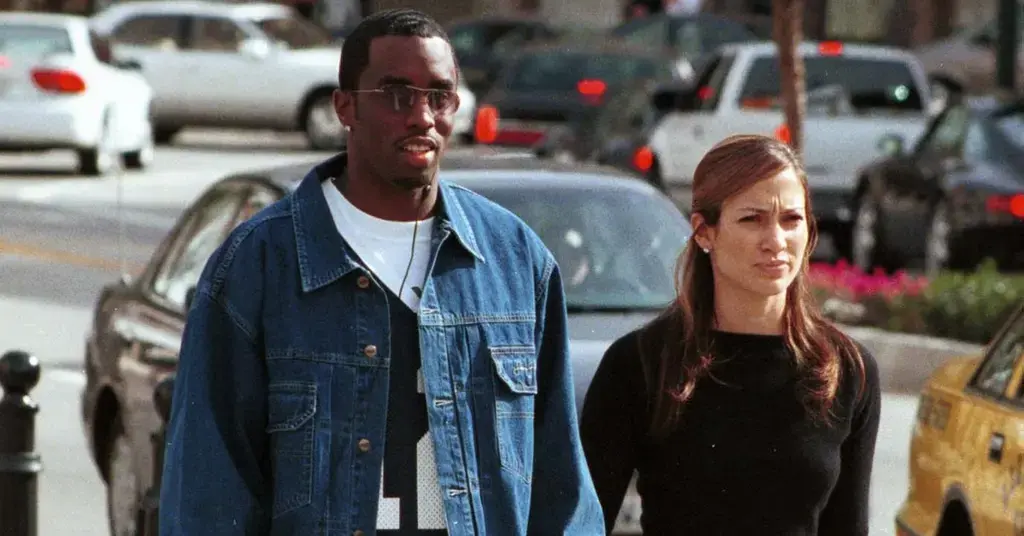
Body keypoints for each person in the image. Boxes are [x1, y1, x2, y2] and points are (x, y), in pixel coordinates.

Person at [159, 8, 604, 536]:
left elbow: (560, 485)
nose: (422, 116)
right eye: (396, 95)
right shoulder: (258, 265)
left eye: (440, 96)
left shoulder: (513, 260)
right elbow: (208, 496)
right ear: (345, 107)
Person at [580, 134, 881, 535]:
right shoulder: (641, 363)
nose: (776, 241)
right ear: (705, 233)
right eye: (751, 219)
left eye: (791, 220)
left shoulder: (847, 370)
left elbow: (848, 527)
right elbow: (581, 523)